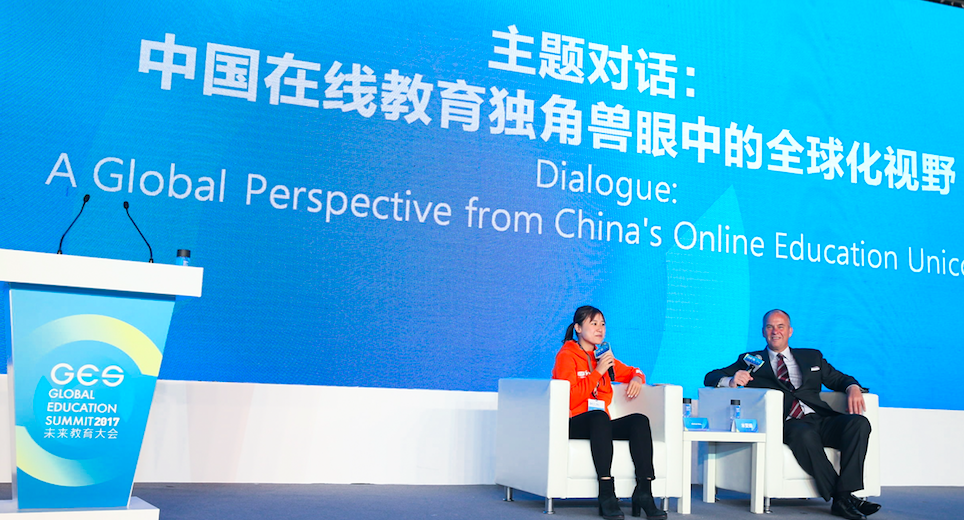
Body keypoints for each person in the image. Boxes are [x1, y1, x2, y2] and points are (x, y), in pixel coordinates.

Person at [703, 309, 880, 520]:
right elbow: (710, 376)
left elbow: (839, 379)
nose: (775, 331)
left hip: (820, 418)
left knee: (858, 423)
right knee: (803, 434)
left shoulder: (811, 356)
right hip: (788, 423)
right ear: (763, 332)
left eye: (780, 327)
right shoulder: (751, 360)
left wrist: (852, 387)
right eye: (770, 327)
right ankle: (844, 499)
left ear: (790, 331)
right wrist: (732, 380)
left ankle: (844, 495)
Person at [552, 305, 667, 520]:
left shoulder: (602, 356)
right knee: (599, 417)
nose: (600, 329)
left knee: (639, 421)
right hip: (573, 421)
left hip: (600, 424)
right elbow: (570, 398)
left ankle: (644, 491)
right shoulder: (567, 356)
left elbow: (633, 371)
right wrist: (598, 372)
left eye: (603, 324)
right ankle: (606, 492)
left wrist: (636, 378)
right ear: (578, 328)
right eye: (594, 324)